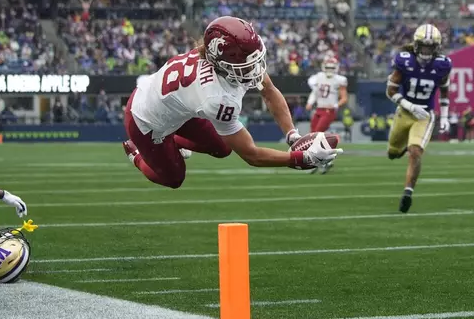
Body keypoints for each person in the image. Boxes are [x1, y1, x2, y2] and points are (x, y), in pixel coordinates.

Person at [122, 16, 342, 188]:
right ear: (222, 63)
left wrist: (293, 136)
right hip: (147, 121)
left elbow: (269, 91)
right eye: (246, 63)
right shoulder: (216, 98)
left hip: (174, 105)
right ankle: (135, 154)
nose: (253, 67)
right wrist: (300, 158)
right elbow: (252, 155)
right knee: (174, 178)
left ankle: (175, 141)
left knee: (222, 148)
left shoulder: (226, 59)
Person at [386, 24, 452, 213]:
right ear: (416, 45)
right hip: (405, 111)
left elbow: (445, 91)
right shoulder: (404, 61)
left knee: (415, 152)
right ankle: (403, 146)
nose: (426, 50)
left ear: (436, 47)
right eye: (423, 46)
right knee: (392, 153)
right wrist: (409, 105)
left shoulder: (442, 65)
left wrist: (445, 116)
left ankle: (407, 192)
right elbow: (390, 91)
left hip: (425, 115)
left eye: (430, 47)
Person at [305, 55, 349, 174]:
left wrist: (335, 105)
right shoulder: (318, 77)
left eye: (332, 67)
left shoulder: (339, 79)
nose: (329, 69)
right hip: (319, 109)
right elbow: (315, 92)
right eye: (328, 67)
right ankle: (321, 161)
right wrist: (310, 102)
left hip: (329, 111)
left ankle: (323, 161)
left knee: (317, 135)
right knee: (311, 136)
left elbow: (344, 98)